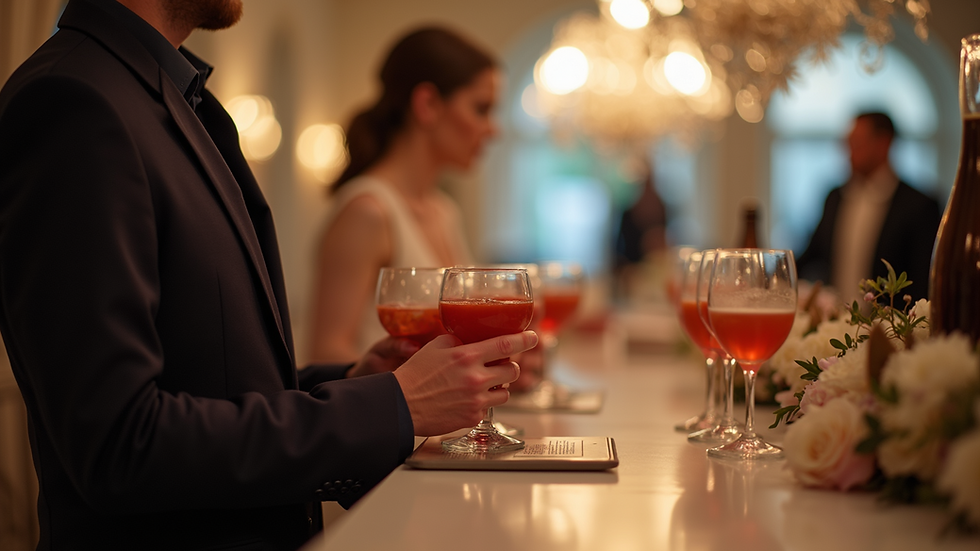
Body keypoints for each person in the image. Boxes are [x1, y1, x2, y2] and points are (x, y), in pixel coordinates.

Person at [0, 1, 536, 549]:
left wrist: (358, 383)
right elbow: (120, 444)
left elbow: (215, 384)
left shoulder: (177, 96)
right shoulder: (73, 102)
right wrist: (391, 405)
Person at [308, 27, 494, 364]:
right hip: (388, 415)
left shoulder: (443, 210)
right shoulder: (367, 210)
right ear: (428, 105)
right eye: (481, 109)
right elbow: (326, 355)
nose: (493, 129)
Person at [796, 112, 941, 304]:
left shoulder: (920, 206)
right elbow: (812, 255)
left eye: (856, 144)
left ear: (883, 144)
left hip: (892, 328)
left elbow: (923, 280)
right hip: (837, 326)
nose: (848, 152)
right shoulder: (835, 197)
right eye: (847, 144)